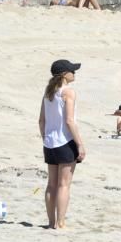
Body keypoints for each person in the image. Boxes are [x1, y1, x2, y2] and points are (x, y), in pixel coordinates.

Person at [39, 59, 84, 230]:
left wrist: (45, 138)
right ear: (64, 74)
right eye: (72, 70)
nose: (74, 72)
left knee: (51, 184)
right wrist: (80, 144)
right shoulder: (68, 92)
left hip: (50, 143)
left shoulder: (48, 92)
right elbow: (70, 121)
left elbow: (41, 121)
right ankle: (61, 223)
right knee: (64, 185)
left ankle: (51, 223)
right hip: (65, 142)